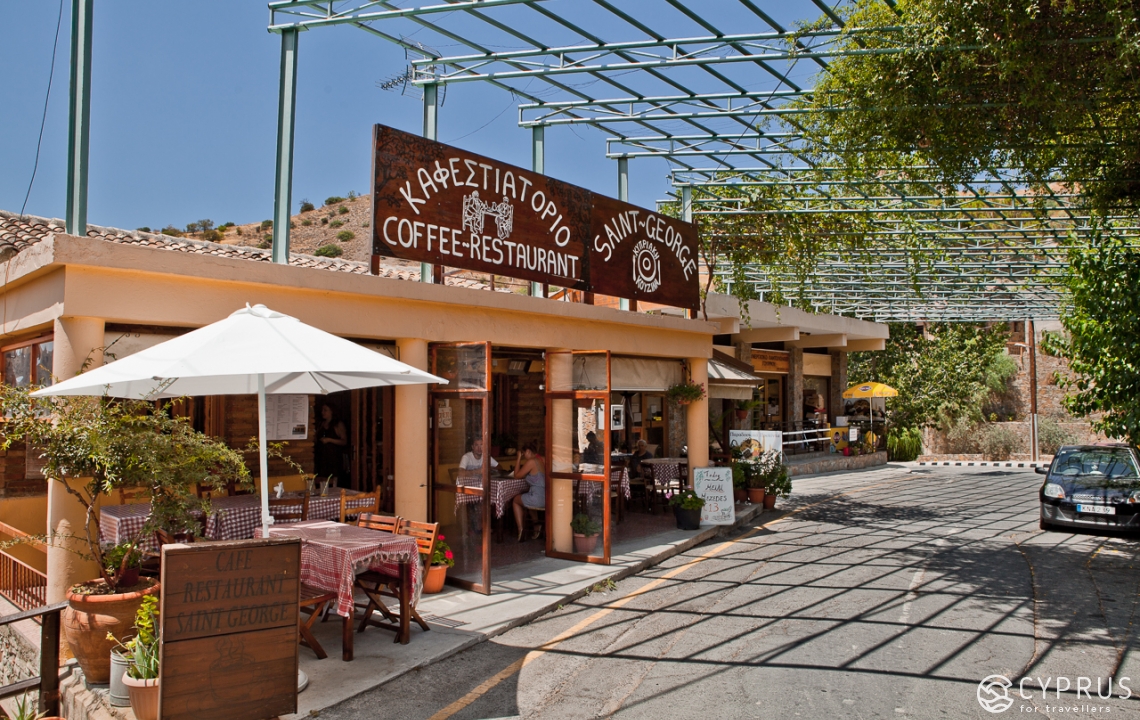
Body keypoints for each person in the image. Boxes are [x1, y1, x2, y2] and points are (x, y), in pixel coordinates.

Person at [511, 441, 546, 542]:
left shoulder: (531, 462)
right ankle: (536, 525)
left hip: (537, 499)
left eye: (523, 453)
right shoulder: (542, 459)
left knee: (515, 500)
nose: (524, 456)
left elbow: (516, 476)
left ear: (528, 451)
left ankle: (520, 529)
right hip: (547, 498)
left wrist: (518, 458)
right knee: (527, 498)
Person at [314, 404, 348, 485]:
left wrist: (329, 440)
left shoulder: (338, 424)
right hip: (321, 458)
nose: (322, 412)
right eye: (322, 410)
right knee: (320, 482)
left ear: (331, 411)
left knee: (333, 482)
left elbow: (344, 441)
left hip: (333, 459)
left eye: (325, 410)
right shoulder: (320, 424)